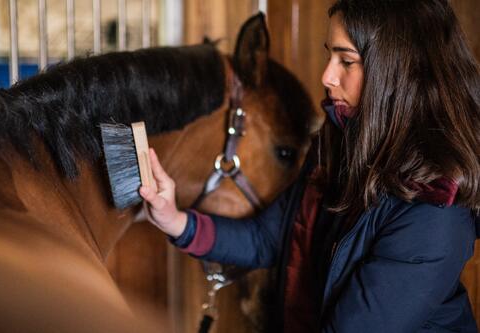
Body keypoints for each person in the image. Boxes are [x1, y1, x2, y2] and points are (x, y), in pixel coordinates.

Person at [139, 0, 480, 332]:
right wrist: (175, 220)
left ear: (400, 71)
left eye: (346, 61)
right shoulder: (335, 144)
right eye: (329, 54)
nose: (327, 76)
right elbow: (267, 238)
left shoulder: (435, 206)